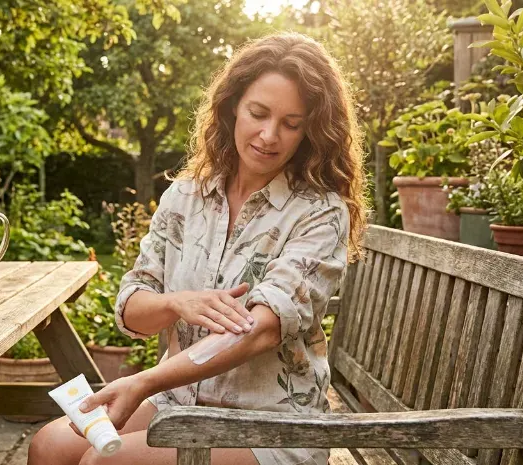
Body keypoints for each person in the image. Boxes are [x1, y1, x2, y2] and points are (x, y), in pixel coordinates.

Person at [28, 31, 368, 465]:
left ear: (310, 131)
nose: (269, 135)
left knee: (104, 462)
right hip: (181, 405)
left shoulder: (320, 212)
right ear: (231, 109)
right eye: (258, 113)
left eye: (291, 123)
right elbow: (132, 305)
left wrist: (144, 381)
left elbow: (262, 328)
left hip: (273, 425)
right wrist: (178, 303)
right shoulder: (185, 197)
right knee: (50, 445)